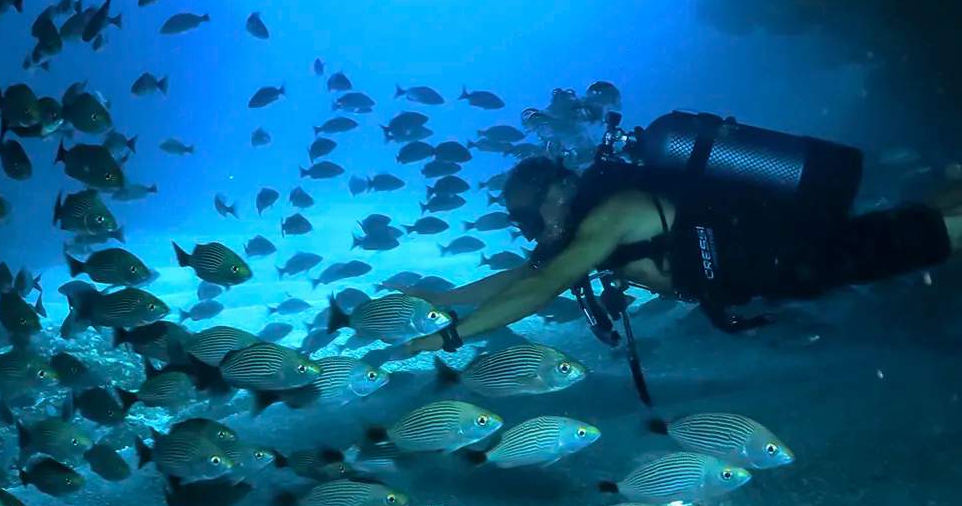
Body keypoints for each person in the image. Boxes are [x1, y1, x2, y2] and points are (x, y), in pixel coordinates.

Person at [396, 148, 962, 358]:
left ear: (558, 192)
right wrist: (444, 298)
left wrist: (445, 338)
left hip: (793, 256)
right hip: (786, 256)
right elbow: (523, 277)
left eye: (525, 216)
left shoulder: (608, 216)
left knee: (922, 239)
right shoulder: (587, 229)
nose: (524, 231)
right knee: (905, 230)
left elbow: (539, 289)